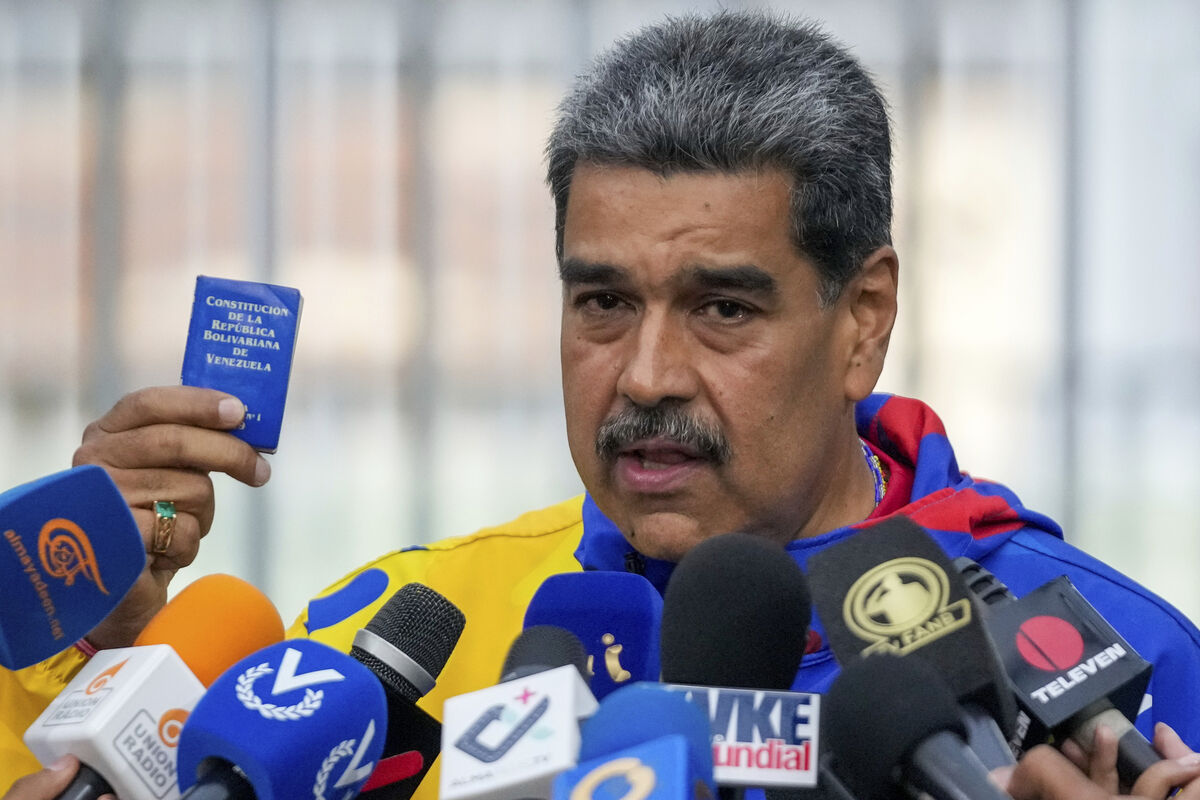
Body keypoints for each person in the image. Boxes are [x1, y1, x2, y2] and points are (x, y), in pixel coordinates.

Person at [3, 9, 1199, 797]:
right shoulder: (411, 628)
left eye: (724, 307)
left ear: (864, 316)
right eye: (603, 302)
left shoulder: (1119, 660)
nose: (644, 375)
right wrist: (99, 660)